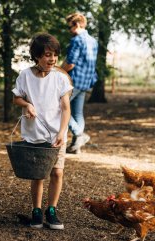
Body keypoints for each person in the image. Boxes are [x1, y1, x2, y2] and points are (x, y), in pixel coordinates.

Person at [12, 33, 72, 229]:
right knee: (38, 174)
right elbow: (16, 98)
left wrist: (62, 132)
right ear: (37, 56)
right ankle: (36, 211)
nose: (52, 59)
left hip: (56, 134)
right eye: (47, 55)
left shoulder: (60, 77)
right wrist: (27, 104)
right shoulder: (25, 76)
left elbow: (65, 108)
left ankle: (51, 210)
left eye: (54, 55)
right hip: (34, 133)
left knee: (57, 173)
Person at [62, 13, 98, 154]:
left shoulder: (77, 40)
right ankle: (77, 147)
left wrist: (56, 71)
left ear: (76, 25)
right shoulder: (93, 41)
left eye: (69, 27)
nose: (69, 30)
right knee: (77, 112)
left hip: (73, 81)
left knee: (60, 107)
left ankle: (80, 135)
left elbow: (70, 63)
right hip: (86, 81)